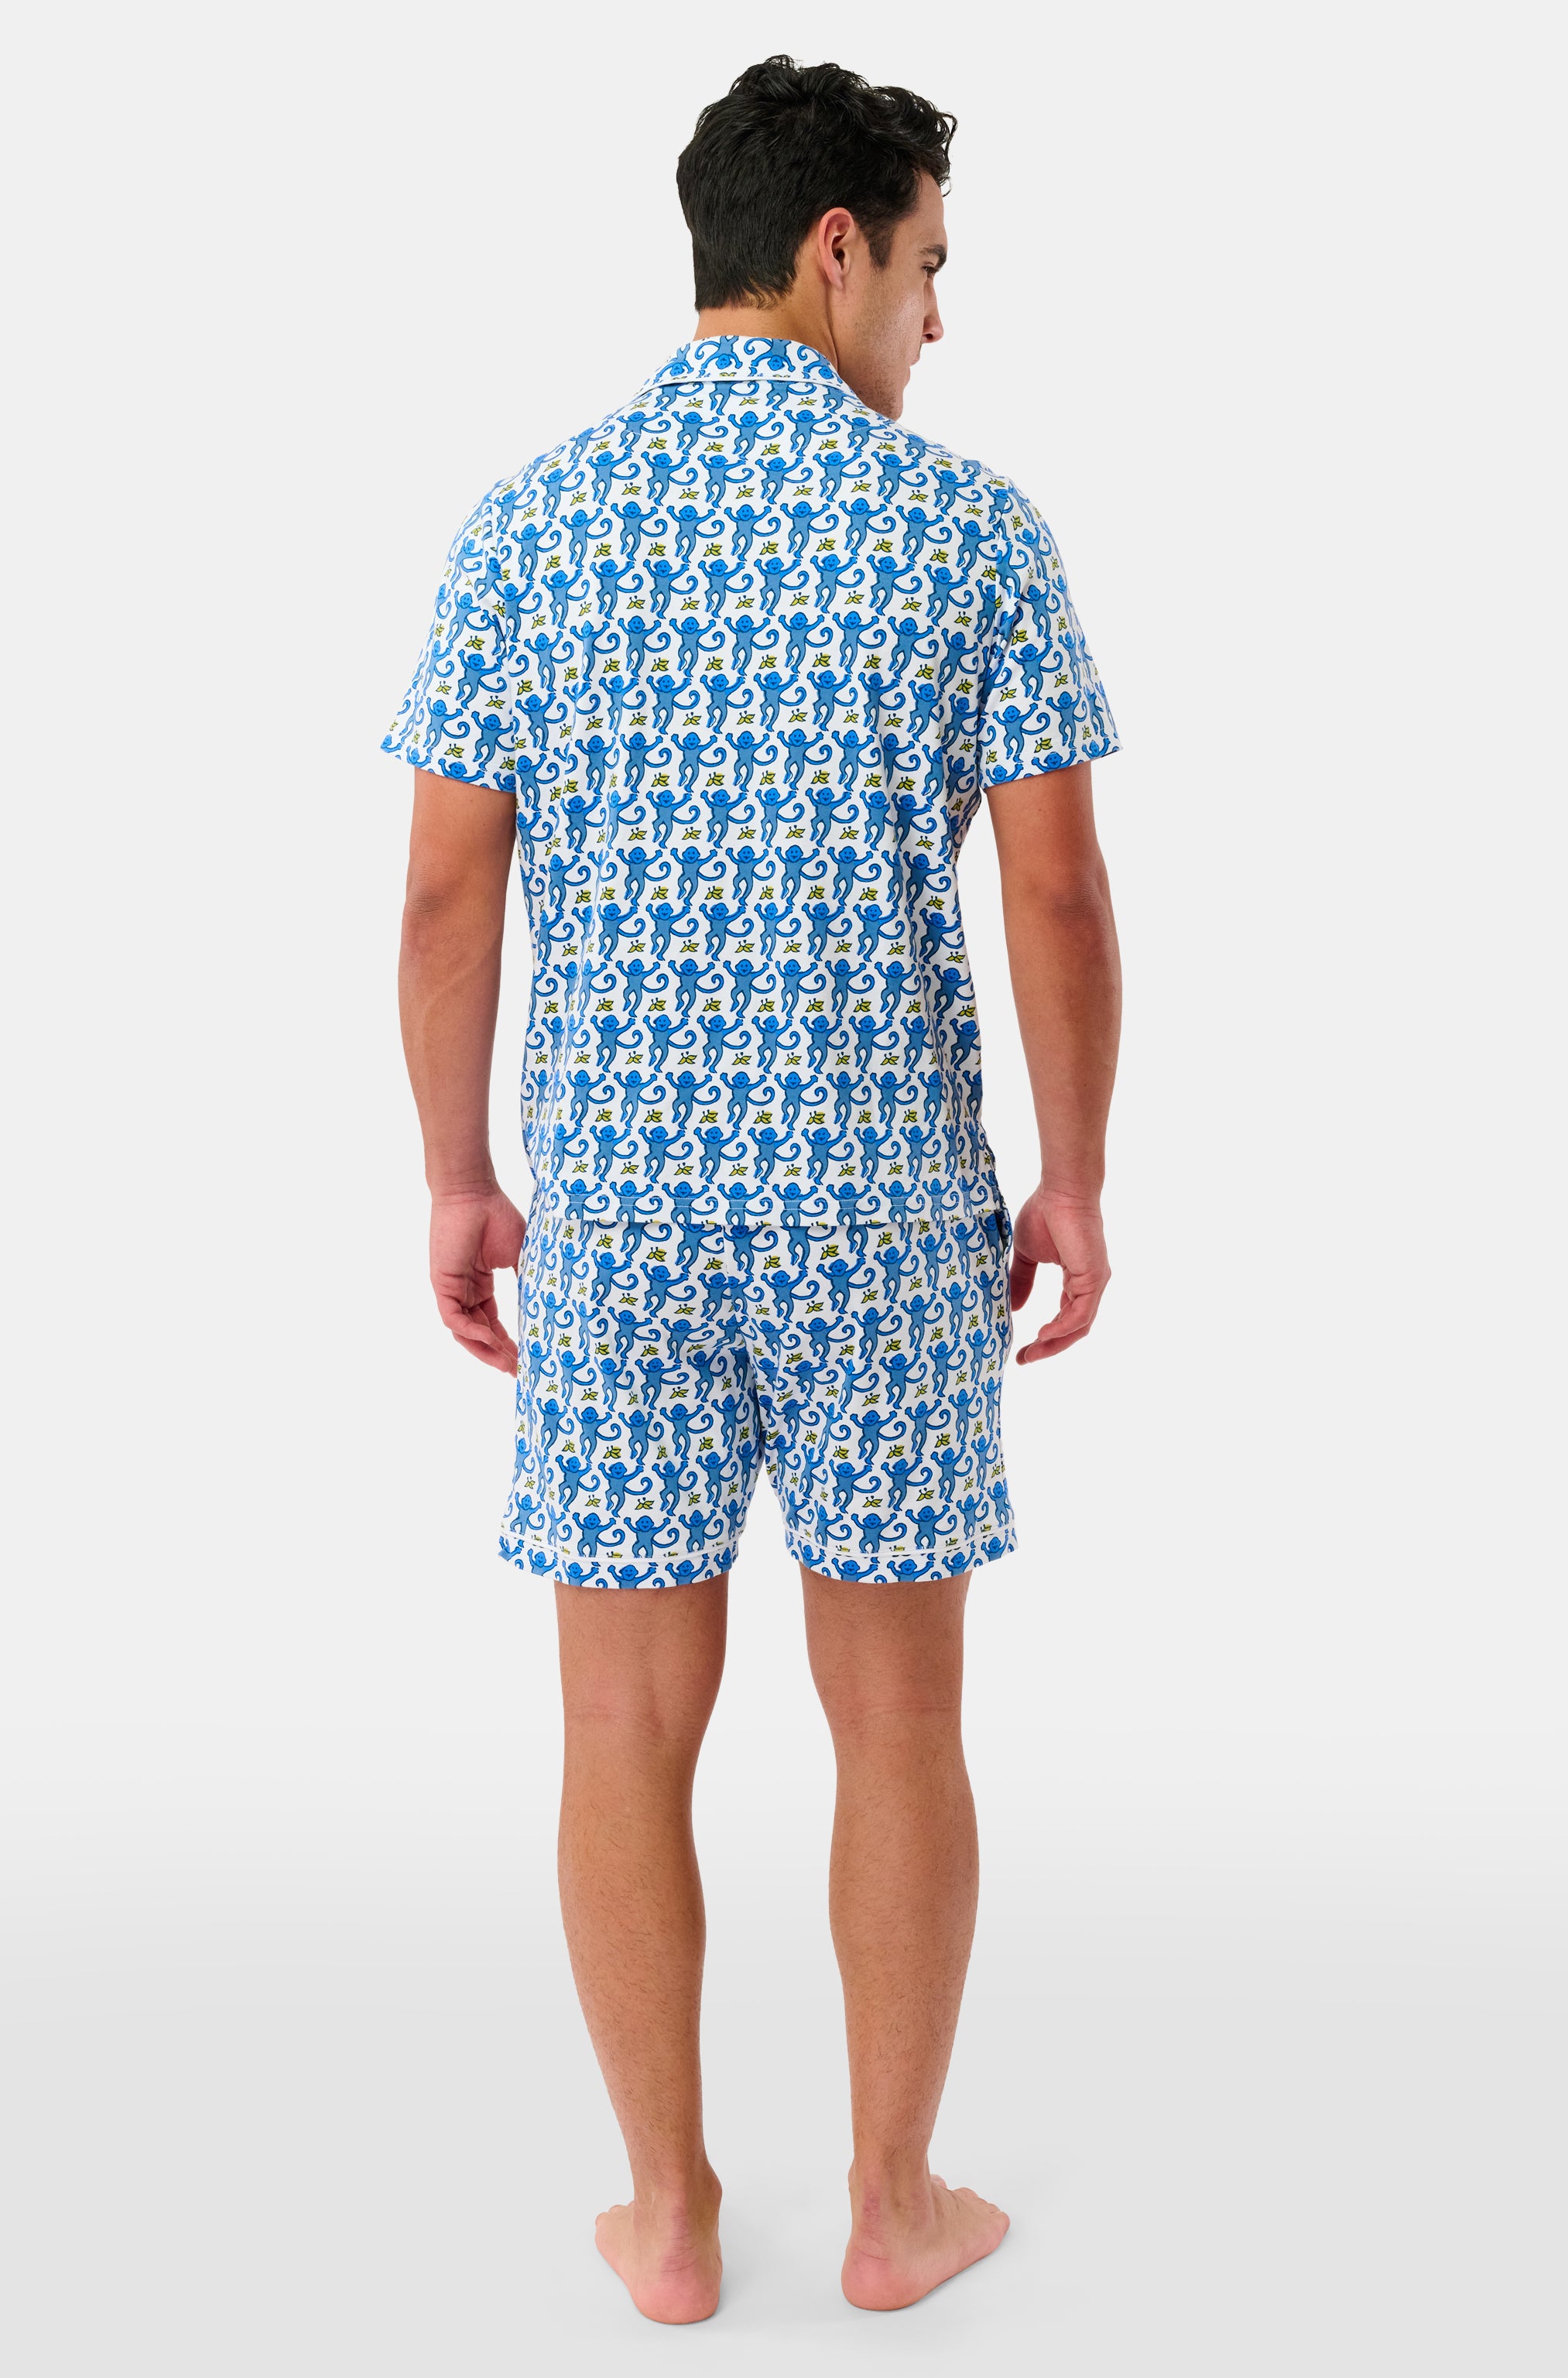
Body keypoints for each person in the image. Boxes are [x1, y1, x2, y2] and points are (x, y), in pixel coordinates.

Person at [388, 53, 1121, 2326]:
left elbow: (443, 897)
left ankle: (672, 2218)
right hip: (883, 1210)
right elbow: (1057, 894)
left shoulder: (531, 522)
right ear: (833, 250)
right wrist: (1078, 1174)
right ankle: (896, 2210)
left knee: (621, 1722)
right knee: (899, 1717)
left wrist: (459, 1176)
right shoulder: (969, 527)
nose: (937, 319)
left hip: (617, 1215)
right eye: (928, 267)